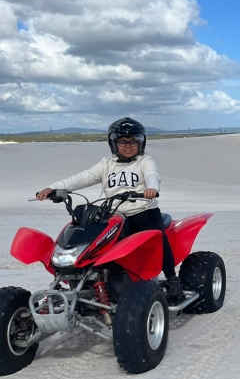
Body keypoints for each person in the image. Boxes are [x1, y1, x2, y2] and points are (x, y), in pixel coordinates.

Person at [36, 117, 185, 301]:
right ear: (114, 143)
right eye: (123, 141)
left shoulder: (145, 161)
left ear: (141, 142)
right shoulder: (107, 163)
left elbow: (152, 175)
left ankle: (172, 280)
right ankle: (100, 283)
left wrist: (152, 188)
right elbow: (82, 177)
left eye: (133, 141)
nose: (128, 146)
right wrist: (54, 188)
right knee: (96, 243)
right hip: (115, 214)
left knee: (158, 237)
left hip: (143, 211)